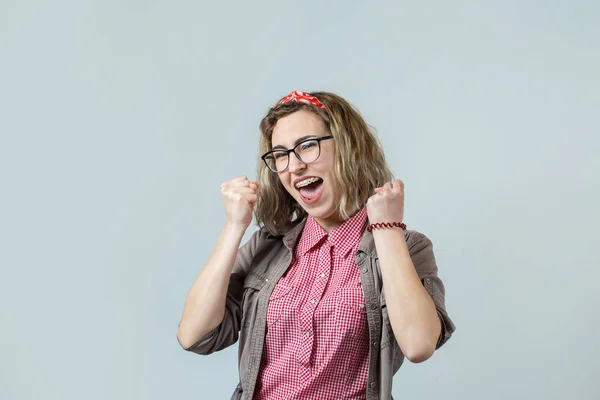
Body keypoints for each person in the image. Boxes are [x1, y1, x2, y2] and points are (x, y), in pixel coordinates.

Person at [177, 90, 455, 400]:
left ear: (348, 146)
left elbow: (418, 345)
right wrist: (234, 227)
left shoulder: (406, 247)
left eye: (307, 146)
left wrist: (386, 228)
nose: (293, 166)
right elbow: (194, 335)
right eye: (280, 155)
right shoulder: (267, 246)